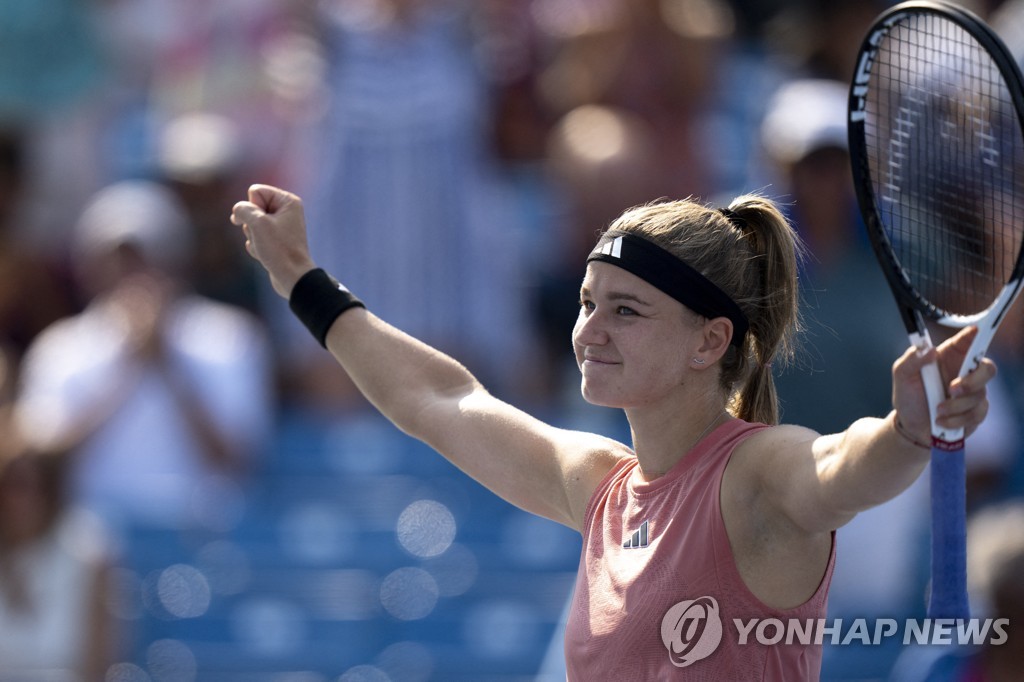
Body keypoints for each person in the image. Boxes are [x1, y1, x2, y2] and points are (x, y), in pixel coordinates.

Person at [231, 184, 995, 680]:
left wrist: (905, 433)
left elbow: (839, 469)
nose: (591, 330)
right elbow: (438, 398)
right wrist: (302, 279)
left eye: (627, 310)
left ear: (709, 342)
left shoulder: (758, 474)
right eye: (589, 302)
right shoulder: (600, 484)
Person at [16, 180, 274, 535]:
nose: (131, 273)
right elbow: (45, 459)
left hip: (204, 540)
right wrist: (127, 368)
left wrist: (168, 364)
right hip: (92, 543)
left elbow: (237, 460)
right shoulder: (60, 348)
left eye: (144, 258)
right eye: (118, 260)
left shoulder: (229, 337)